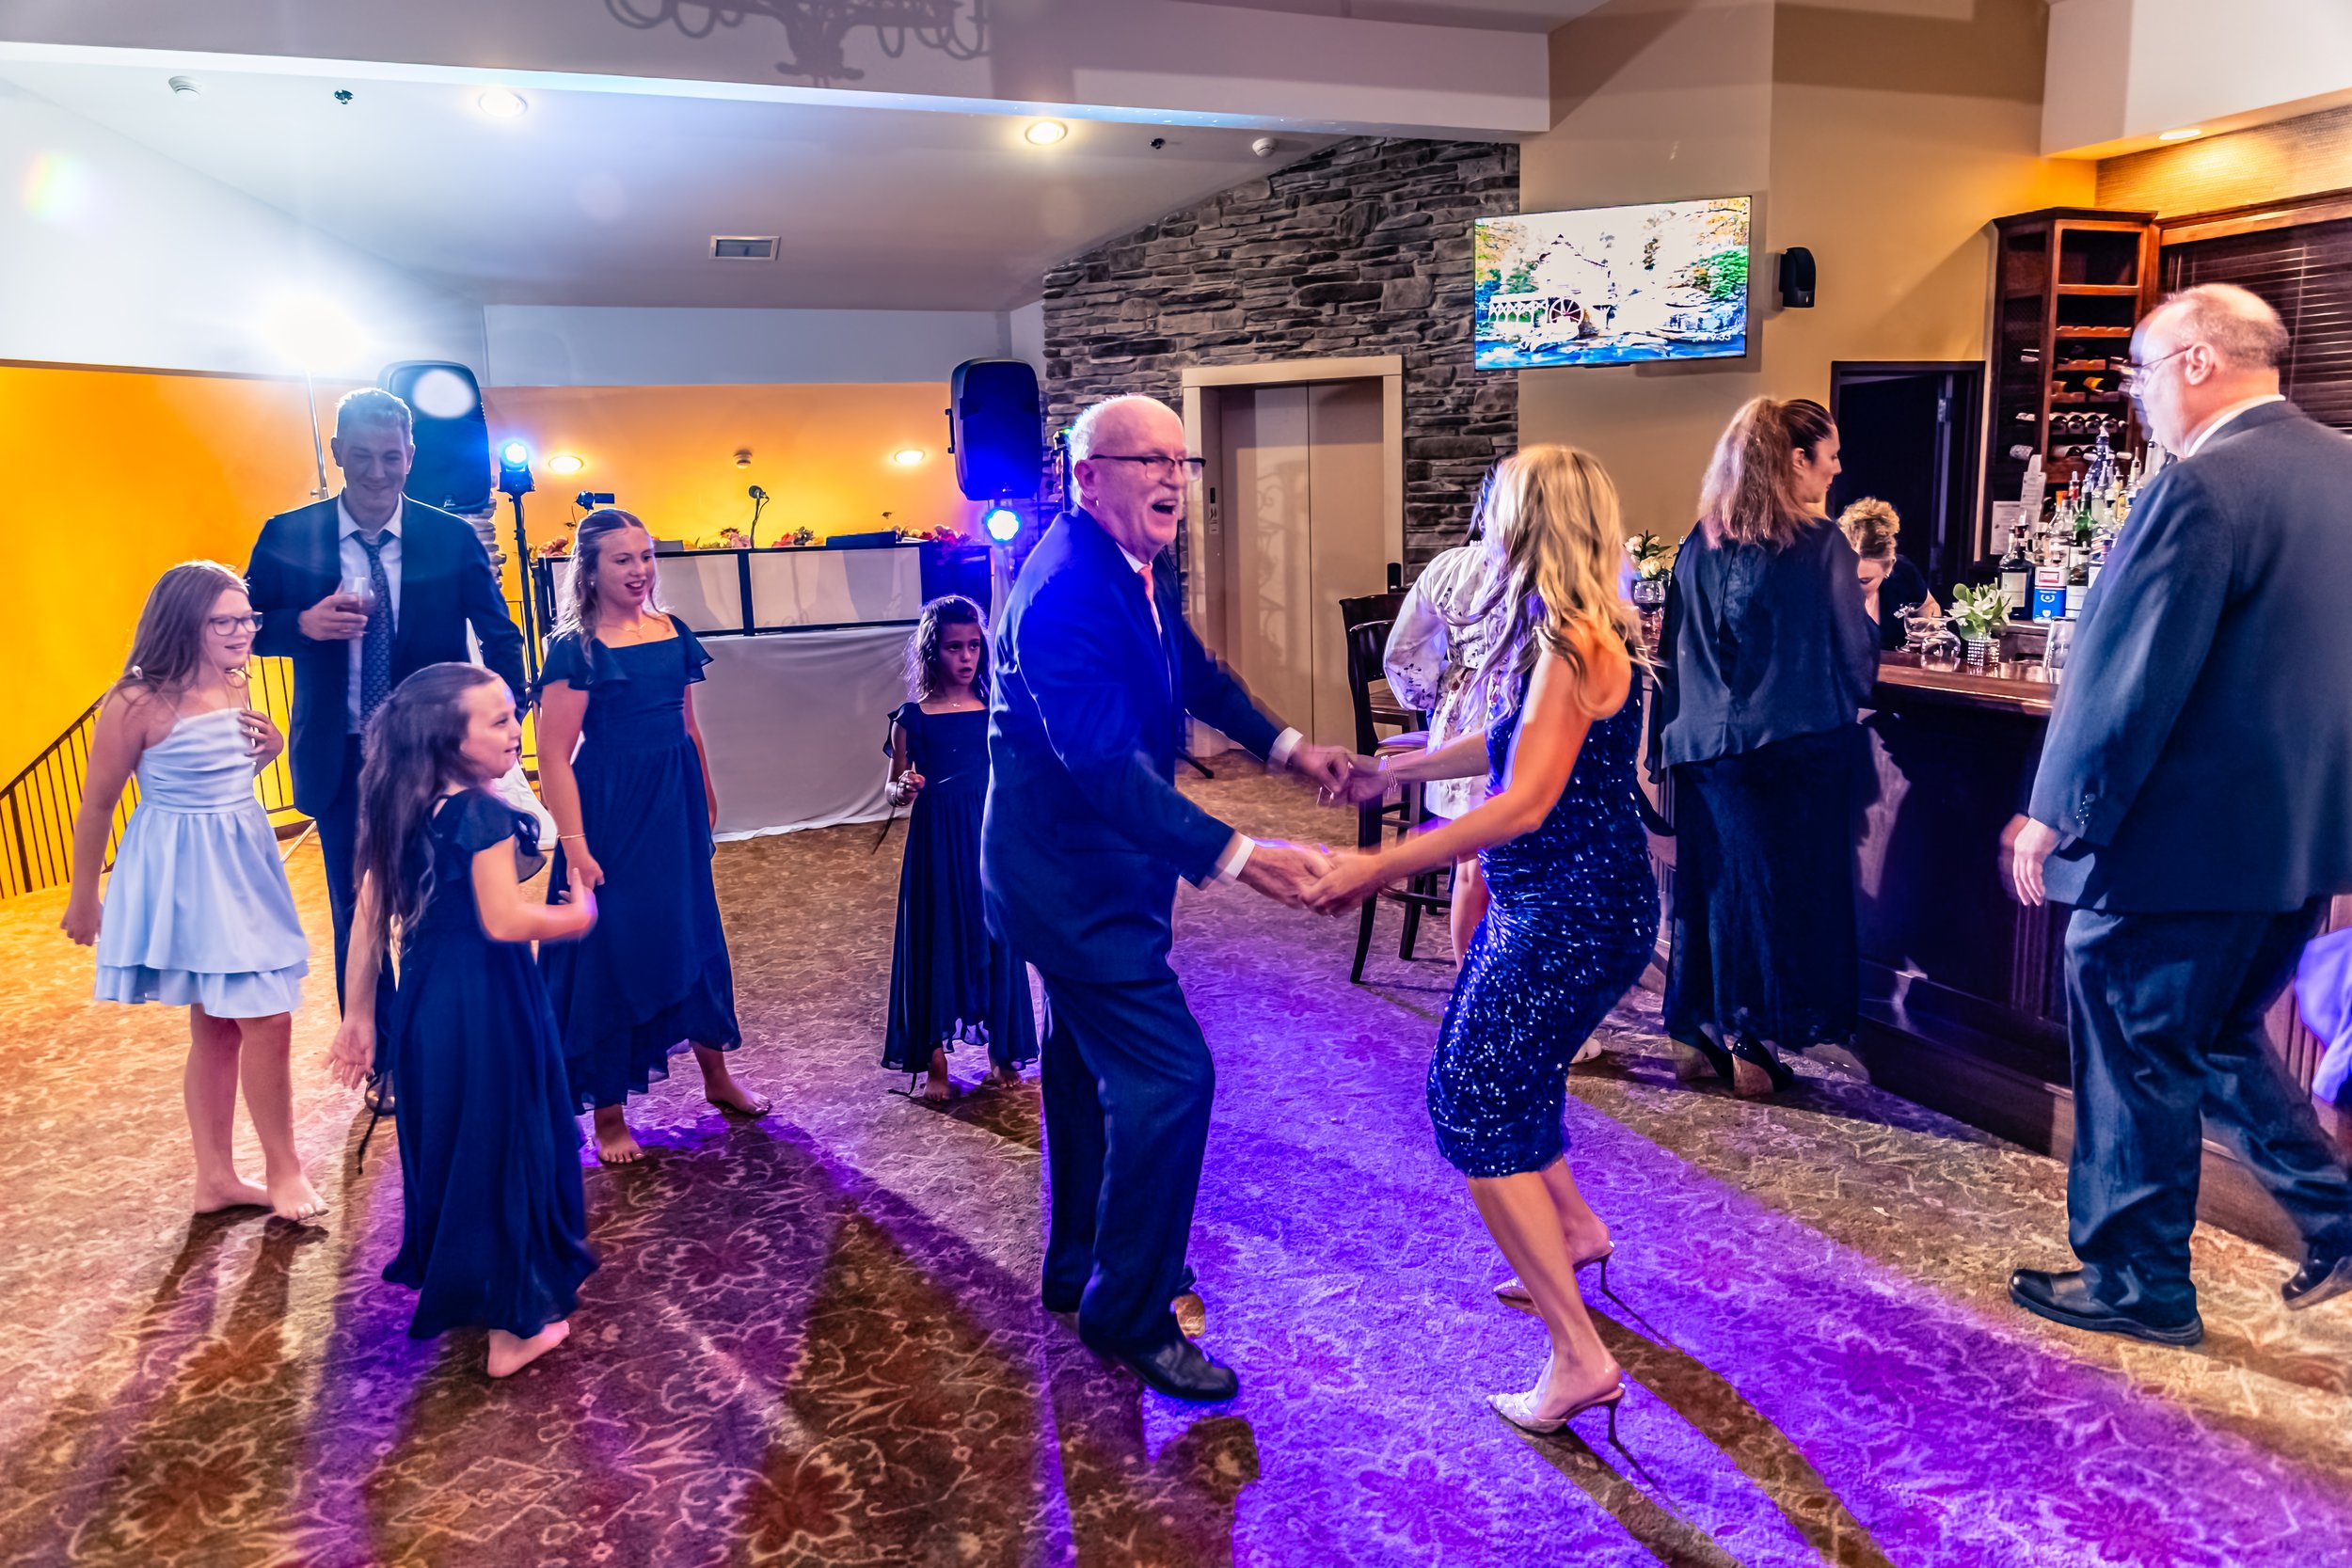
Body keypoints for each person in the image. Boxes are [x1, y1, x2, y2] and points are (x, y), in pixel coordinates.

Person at [982, 393, 1354, 1402]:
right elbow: (1104, 767)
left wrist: (1287, 748)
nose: (1167, 478)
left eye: (1177, 462)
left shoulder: (1131, 562)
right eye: (1142, 460)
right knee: (1171, 1079)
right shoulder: (1062, 590)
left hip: (1099, 872)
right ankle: (1127, 1309)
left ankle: (1077, 1266)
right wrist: (1243, 854)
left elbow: (1186, 666)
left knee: (1081, 1068)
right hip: (1069, 886)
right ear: (1085, 474)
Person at [2007, 282, 2352, 1342]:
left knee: (2135, 1049)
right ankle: (2338, 1212)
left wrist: (2056, 811)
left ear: (2196, 362)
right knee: (2208, 1042)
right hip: (2298, 844)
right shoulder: (2342, 469)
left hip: (2173, 847)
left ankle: (2136, 1279)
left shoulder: (2202, 485)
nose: (2137, 397)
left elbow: (2131, 673)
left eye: (2139, 372)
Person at [1312, 446, 1657, 1436]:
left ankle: (1577, 1354)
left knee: (1471, 1095)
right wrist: (1399, 769)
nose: (1483, 524)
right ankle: (1579, 1231)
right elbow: (1514, 745)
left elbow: (1523, 799)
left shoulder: (1572, 640)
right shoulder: (1569, 633)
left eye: (1495, 508)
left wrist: (1378, 864)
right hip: (1560, 899)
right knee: (1504, 1072)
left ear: (1528, 520)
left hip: (1570, 906)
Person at [327, 663, 598, 1379]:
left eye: (515, 714)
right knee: (506, 1135)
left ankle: (473, 1281)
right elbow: (506, 919)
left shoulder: (402, 799)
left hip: (425, 997)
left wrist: (359, 1015)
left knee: (459, 1134)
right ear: (450, 737)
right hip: (484, 996)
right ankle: (515, 1329)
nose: (517, 730)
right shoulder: (477, 814)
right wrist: (576, 916)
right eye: (500, 720)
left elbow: (366, 918)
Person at [246, 388, 528, 1069]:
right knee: (357, 908)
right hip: (339, 756)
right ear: (339, 453)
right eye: (364, 456)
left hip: (436, 757)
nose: (378, 472)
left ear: (411, 457)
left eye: (393, 457)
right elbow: (244, 625)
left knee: (442, 900)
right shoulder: (288, 534)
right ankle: (382, 1052)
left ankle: (449, 1041)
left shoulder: (450, 536)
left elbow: (499, 632)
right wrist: (300, 625)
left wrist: (505, 719)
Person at [61, 562, 321, 1224]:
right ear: (185, 623)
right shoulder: (135, 701)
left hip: (242, 857)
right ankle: (283, 1169)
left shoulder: (238, 686)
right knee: (265, 1018)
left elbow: (230, 769)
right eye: (225, 621)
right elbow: (97, 805)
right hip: (184, 867)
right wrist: (85, 895)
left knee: (218, 1027)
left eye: (247, 618)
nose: (243, 631)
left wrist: (273, 747)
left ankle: (215, 1178)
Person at [1657, 397, 1879, 1097]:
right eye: (1829, 455)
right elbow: (1856, 659)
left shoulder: (1701, 539)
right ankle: (1753, 1043)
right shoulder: (1820, 546)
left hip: (1700, 749)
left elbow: (1670, 650)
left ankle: (1691, 1034)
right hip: (1789, 749)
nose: (1837, 468)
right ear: (1794, 460)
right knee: (1774, 899)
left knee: (1707, 887)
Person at [534, 509, 766, 1165]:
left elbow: (688, 725)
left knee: (692, 932)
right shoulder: (576, 647)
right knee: (611, 949)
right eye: (622, 560)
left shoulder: (672, 630)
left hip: (674, 801)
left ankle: (717, 1076)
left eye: (645, 556)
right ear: (590, 569)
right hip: (609, 807)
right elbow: (553, 753)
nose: (639, 571)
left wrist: (706, 789)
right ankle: (609, 1111)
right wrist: (574, 843)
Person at [883, 594, 1038, 1099]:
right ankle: (935, 1065)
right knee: (938, 936)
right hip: (937, 840)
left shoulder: (997, 705)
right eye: (954, 648)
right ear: (933, 652)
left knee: (997, 937)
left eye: (974, 646)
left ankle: (1002, 1052)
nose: (966, 657)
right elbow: (891, 787)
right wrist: (902, 789)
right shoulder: (913, 717)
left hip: (989, 833)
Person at [1382, 467, 1508, 964]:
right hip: (1523, 714)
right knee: (1511, 871)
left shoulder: (1450, 568)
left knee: (1470, 866)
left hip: (1465, 714)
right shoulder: (1547, 570)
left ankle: (1470, 989)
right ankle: (1485, 996)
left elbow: (1403, 650)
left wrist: (1437, 696)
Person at [1836, 498, 1935, 651]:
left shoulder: (1903, 573)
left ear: (1888, 568)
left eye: (1864, 581)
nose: (1853, 587)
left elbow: (1929, 605)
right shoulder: (1825, 582)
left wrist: (1927, 631)